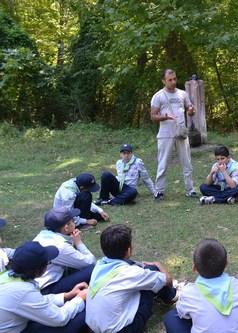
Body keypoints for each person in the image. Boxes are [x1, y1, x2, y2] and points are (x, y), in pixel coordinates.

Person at [86, 224, 180, 333]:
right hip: (123, 330)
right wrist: (157, 264)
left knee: (141, 272)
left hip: (94, 326)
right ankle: (171, 296)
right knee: (153, 270)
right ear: (129, 250)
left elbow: (130, 266)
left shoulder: (99, 265)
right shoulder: (132, 273)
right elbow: (168, 279)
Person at [164, 238, 238, 333]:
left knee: (171, 318)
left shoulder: (189, 293)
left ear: (194, 268)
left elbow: (182, 314)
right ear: (226, 264)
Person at [0, 241, 88, 333]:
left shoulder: (8, 275)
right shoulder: (23, 291)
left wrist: (67, 295)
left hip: (16, 324)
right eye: (48, 262)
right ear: (38, 269)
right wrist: (79, 299)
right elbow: (60, 319)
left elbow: (36, 301)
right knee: (83, 314)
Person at [150, 69, 197, 202]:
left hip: (181, 134)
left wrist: (191, 110)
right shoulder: (158, 96)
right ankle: (159, 192)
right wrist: (164, 117)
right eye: (170, 80)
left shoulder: (183, 94)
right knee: (163, 163)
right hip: (165, 134)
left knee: (187, 162)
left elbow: (190, 110)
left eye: (175, 79)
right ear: (164, 81)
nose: (173, 82)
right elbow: (153, 116)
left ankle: (190, 189)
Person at [33, 207, 96, 295]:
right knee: (92, 269)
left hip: (35, 284)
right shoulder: (61, 246)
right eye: (73, 221)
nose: (75, 223)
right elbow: (91, 262)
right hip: (47, 290)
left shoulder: (42, 235)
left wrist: (71, 240)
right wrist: (78, 243)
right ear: (66, 228)